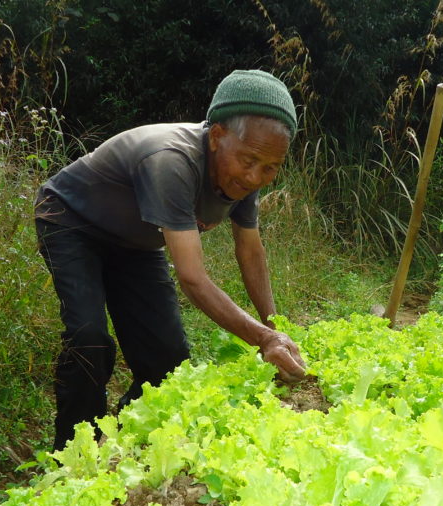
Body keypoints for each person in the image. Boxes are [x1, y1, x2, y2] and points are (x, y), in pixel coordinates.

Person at [34, 69, 307, 451]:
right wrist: (263, 339)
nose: (256, 176)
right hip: (73, 221)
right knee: (89, 338)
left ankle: (123, 441)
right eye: (250, 160)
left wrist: (275, 328)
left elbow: (250, 250)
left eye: (271, 167)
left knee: (168, 363)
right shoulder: (172, 160)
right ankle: (74, 452)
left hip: (135, 242)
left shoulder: (245, 177)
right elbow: (193, 278)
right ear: (216, 137)